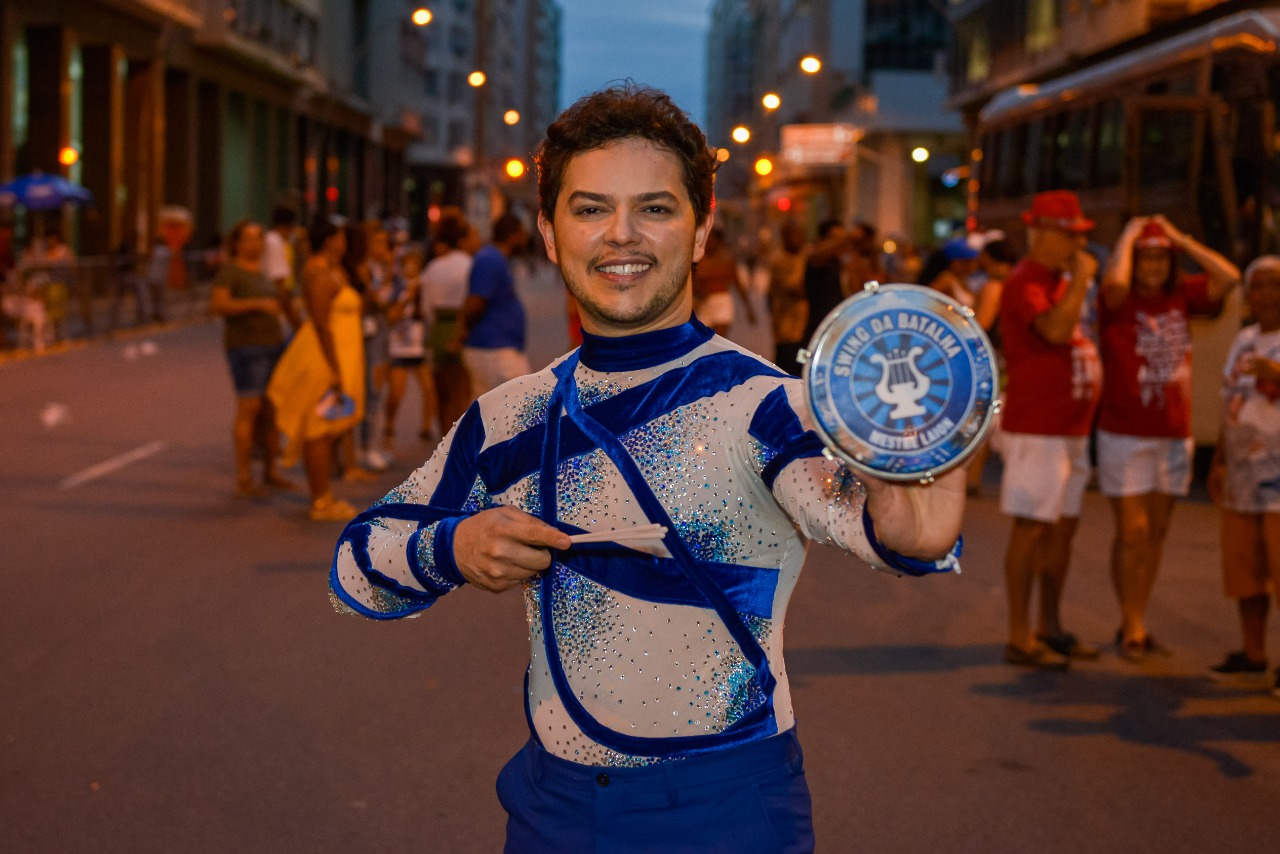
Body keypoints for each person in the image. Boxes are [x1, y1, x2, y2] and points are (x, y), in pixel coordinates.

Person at [329, 83, 965, 852]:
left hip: (724, 808)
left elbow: (876, 523)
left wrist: (915, 487)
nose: (621, 235)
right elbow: (355, 570)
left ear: (701, 233)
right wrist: (453, 548)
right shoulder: (509, 416)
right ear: (549, 232)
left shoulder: (766, 406)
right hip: (550, 809)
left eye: (656, 209)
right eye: (591, 208)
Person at [1099, 216, 1240, 660]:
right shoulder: (1116, 302)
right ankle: (1132, 622)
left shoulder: (1183, 295)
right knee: (1132, 532)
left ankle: (1134, 621)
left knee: (1156, 533)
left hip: (1173, 432)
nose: (1154, 266)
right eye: (1147, 257)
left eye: (1162, 258)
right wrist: (1128, 237)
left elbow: (1230, 277)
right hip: (1124, 430)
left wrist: (1181, 239)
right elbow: (1116, 284)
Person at [998, 190, 1103, 669]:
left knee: (1062, 530)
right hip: (1039, 427)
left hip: (1071, 426)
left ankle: (1051, 626)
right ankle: (1021, 634)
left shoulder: (1060, 278)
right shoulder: (1027, 281)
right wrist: (1081, 280)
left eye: (1080, 237)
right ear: (1040, 233)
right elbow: (1056, 331)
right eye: (1068, 236)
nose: (1076, 247)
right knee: (1032, 528)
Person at [1207, 256, 1280, 692]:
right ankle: (1253, 654)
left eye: (1276, 284)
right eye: (1260, 286)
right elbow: (1228, 400)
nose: (1268, 293)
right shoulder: (1244, 341)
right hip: (1243, 477)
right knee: (1246, 570)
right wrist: (1219, 460)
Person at [267, 216, 365, 521]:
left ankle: (322, 494)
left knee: (328, 425)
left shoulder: (331, 268)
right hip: (325, 356)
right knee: (318, 429)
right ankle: (320, 499)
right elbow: (322, 324)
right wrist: (334, 369)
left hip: (339, 352)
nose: (344, 241)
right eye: (339, 236)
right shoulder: (319, 272)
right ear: (330, 239)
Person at [209, 220, 295, 496]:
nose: (255, 244)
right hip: (247, 348)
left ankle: (271, 471)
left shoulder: (263, 272)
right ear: (236, 243)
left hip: (274, 346)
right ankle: (244, 476)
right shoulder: (230, 272)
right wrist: (257, 304)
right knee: (250, 407)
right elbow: (219, 304)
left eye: (259, 238)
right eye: (248, 238)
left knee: (271, 411)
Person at [456, 212, 530, 398]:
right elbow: (475, 302)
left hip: (495, 348)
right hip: (494, 351)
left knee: (494, 416)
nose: (524, 238)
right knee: (518, 408)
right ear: (512, 235)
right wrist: (462, 332)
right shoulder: (490, 259)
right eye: (521, 233)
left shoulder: (494, 259)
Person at [421, 209, 478, 431]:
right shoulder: (470, 265)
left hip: (438, 329)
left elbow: (426, 309)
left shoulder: (433, 268)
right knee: (461, 391)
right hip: (461, 328)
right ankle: (458, 447)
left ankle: (444, 443)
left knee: (442, 393)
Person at [384, 243, 439, 450]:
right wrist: (406, 296)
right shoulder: (397, 287)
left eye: (415, 264)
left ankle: (425, 428)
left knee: (428, 388)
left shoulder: (424, 285)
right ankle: (388, 426)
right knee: (396, 392)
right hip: (399, 346)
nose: (411, 268)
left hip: (418, 346)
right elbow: (390, 316)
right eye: (407, 264)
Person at [691, 226, 756, 336]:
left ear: (718, 241)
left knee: (718, 337)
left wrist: (749, 309)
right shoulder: (699, 260)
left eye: (712, 239)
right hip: (704, 304)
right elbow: (691, 283)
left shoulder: (726, 260)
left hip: (722, 302)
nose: (709, 242)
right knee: (704, 342)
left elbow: (738, 284)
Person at [766, 219, 809, 376]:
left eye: (800, 235)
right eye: (794, 235)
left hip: (803, 323)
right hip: (787, 324)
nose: (798, 239)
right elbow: (795, 289)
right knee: (788, 363)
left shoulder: (803, 257)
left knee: (802, 361)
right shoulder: (781, 261)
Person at [262, 205, 303, 332]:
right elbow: (279, 280)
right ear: (290, 226)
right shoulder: (275, 242)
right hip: (276, 301)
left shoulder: (274, 240)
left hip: (276, 299)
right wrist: (292, 316)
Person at [919, 238, 980, 308]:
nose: (973, 265)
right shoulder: (946, 279)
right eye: (967, 261)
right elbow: (924, 302)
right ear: (955, 262)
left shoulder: (962, 279)